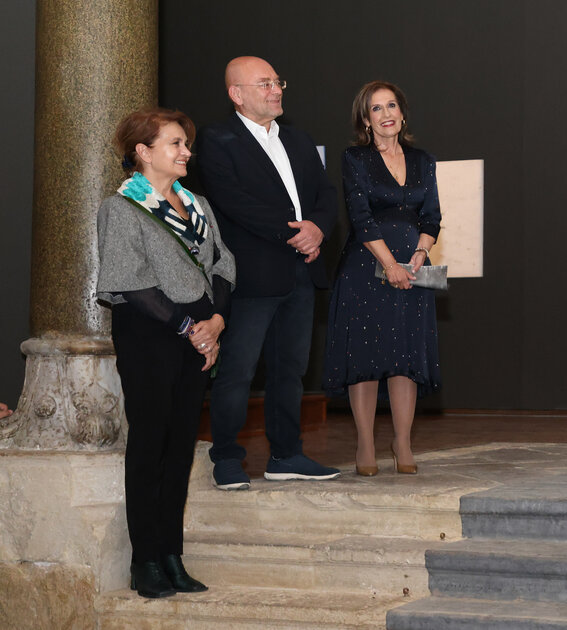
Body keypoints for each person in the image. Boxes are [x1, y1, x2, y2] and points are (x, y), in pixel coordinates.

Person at [96, 107, 236, 598]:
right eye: (175, 143)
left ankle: (172, 556)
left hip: (199, 335)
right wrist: (187, 328)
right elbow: (129, 280)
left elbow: (223, 264)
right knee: (150, 445)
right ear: (143, 151)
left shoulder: (197, 203)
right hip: (149, 336)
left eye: (185, 143)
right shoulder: (121, 207)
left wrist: (215, 323)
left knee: (179, 448)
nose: (186, 152)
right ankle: (145, 561)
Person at [197, 56, 341, 489]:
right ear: (236, 94)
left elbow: (326, 194)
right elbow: (233, 202)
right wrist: (295, 234)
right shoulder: (217, 139)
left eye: (278, 82)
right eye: (264, 84)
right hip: (252, 277)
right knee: (238, 370)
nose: (276, 90)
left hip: (302, 272)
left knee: (290, 370)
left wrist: (318, 229)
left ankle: (286, 455)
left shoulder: (297, 138)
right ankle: (226, 458)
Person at [323, 81, 441, 476]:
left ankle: (402, 442)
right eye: (376, 108)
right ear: (365, 120)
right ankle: (366, 443)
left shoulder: (423, 160)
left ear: (402, 114)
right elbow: (360, 217)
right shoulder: (355, 158)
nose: (386, 114)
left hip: (413, 268)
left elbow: (432, 217)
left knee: (405, 358)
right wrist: (390, 264)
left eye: (391, 105)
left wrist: (419, 255)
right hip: (367, 267)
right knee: (366, 357)